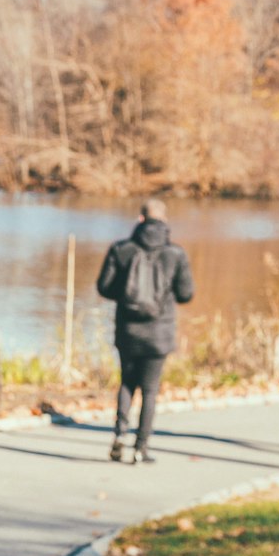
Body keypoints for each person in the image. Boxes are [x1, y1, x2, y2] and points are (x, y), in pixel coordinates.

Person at [96, 199, 194, 464]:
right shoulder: (176, 254)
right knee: (150, 390)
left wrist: (127, 294)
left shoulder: (121, 249)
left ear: (140, 219)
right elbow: (186, 294)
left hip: (128, 329)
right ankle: (141, 448)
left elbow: (104, 288)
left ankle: (119, 434)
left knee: (127, 382)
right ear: (164, 220)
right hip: (159, 332)